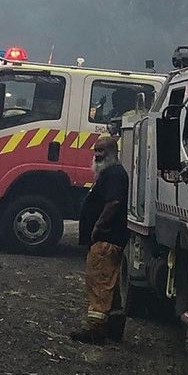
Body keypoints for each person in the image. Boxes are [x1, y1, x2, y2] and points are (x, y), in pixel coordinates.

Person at [71, 136, 129, 344]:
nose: (97, 155)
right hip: (108, 239)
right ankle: (114, 327)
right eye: (95, 150)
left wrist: (98, 226)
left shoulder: (113, 175)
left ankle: (95, 330)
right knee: (110, 285)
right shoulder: (110, 174)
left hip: (106, 239)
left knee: (99, 282)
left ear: (113, 152)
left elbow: (113, 202)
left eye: (102, 151)